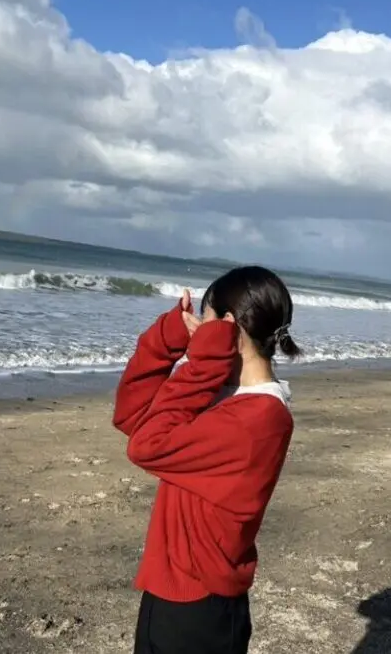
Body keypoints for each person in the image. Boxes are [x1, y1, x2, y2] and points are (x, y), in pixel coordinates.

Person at [112, 265, 301, 654]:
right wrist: (168, 338)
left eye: (205, 320)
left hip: (200, 606)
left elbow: (145, 445)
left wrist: (203, 363)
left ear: (228, 328)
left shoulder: (259, 419)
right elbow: (132, 416)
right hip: (172, 589)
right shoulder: (220, 394)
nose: (197, 332)